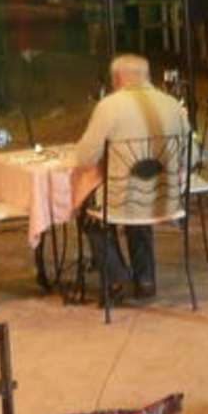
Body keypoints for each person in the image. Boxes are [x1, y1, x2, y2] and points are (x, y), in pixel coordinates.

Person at [69, 53, 189, 303]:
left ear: (117, 79)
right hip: (165, 198)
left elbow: (85, 157)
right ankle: (145, 280)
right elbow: (192, 154)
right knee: (140, 208)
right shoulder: (173, 105)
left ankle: (116, 278)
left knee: (88, 211)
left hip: (122, 198)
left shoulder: (109, 106)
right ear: (147, 77)